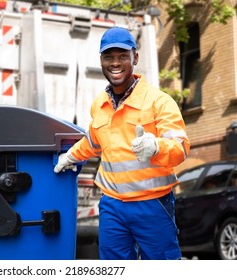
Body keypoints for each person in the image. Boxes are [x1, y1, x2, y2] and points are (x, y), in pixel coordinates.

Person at [54, 27, 190, 260]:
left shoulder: (159, 101)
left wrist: (157, 146)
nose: (115, 63)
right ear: (101, 61)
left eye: (122, 56)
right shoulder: (100, 104)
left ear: (134, 58)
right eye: (109, 57)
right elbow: (94, 141)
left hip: (152, 204)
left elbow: (180, 148)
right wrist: (71, 156)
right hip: (112, 206)